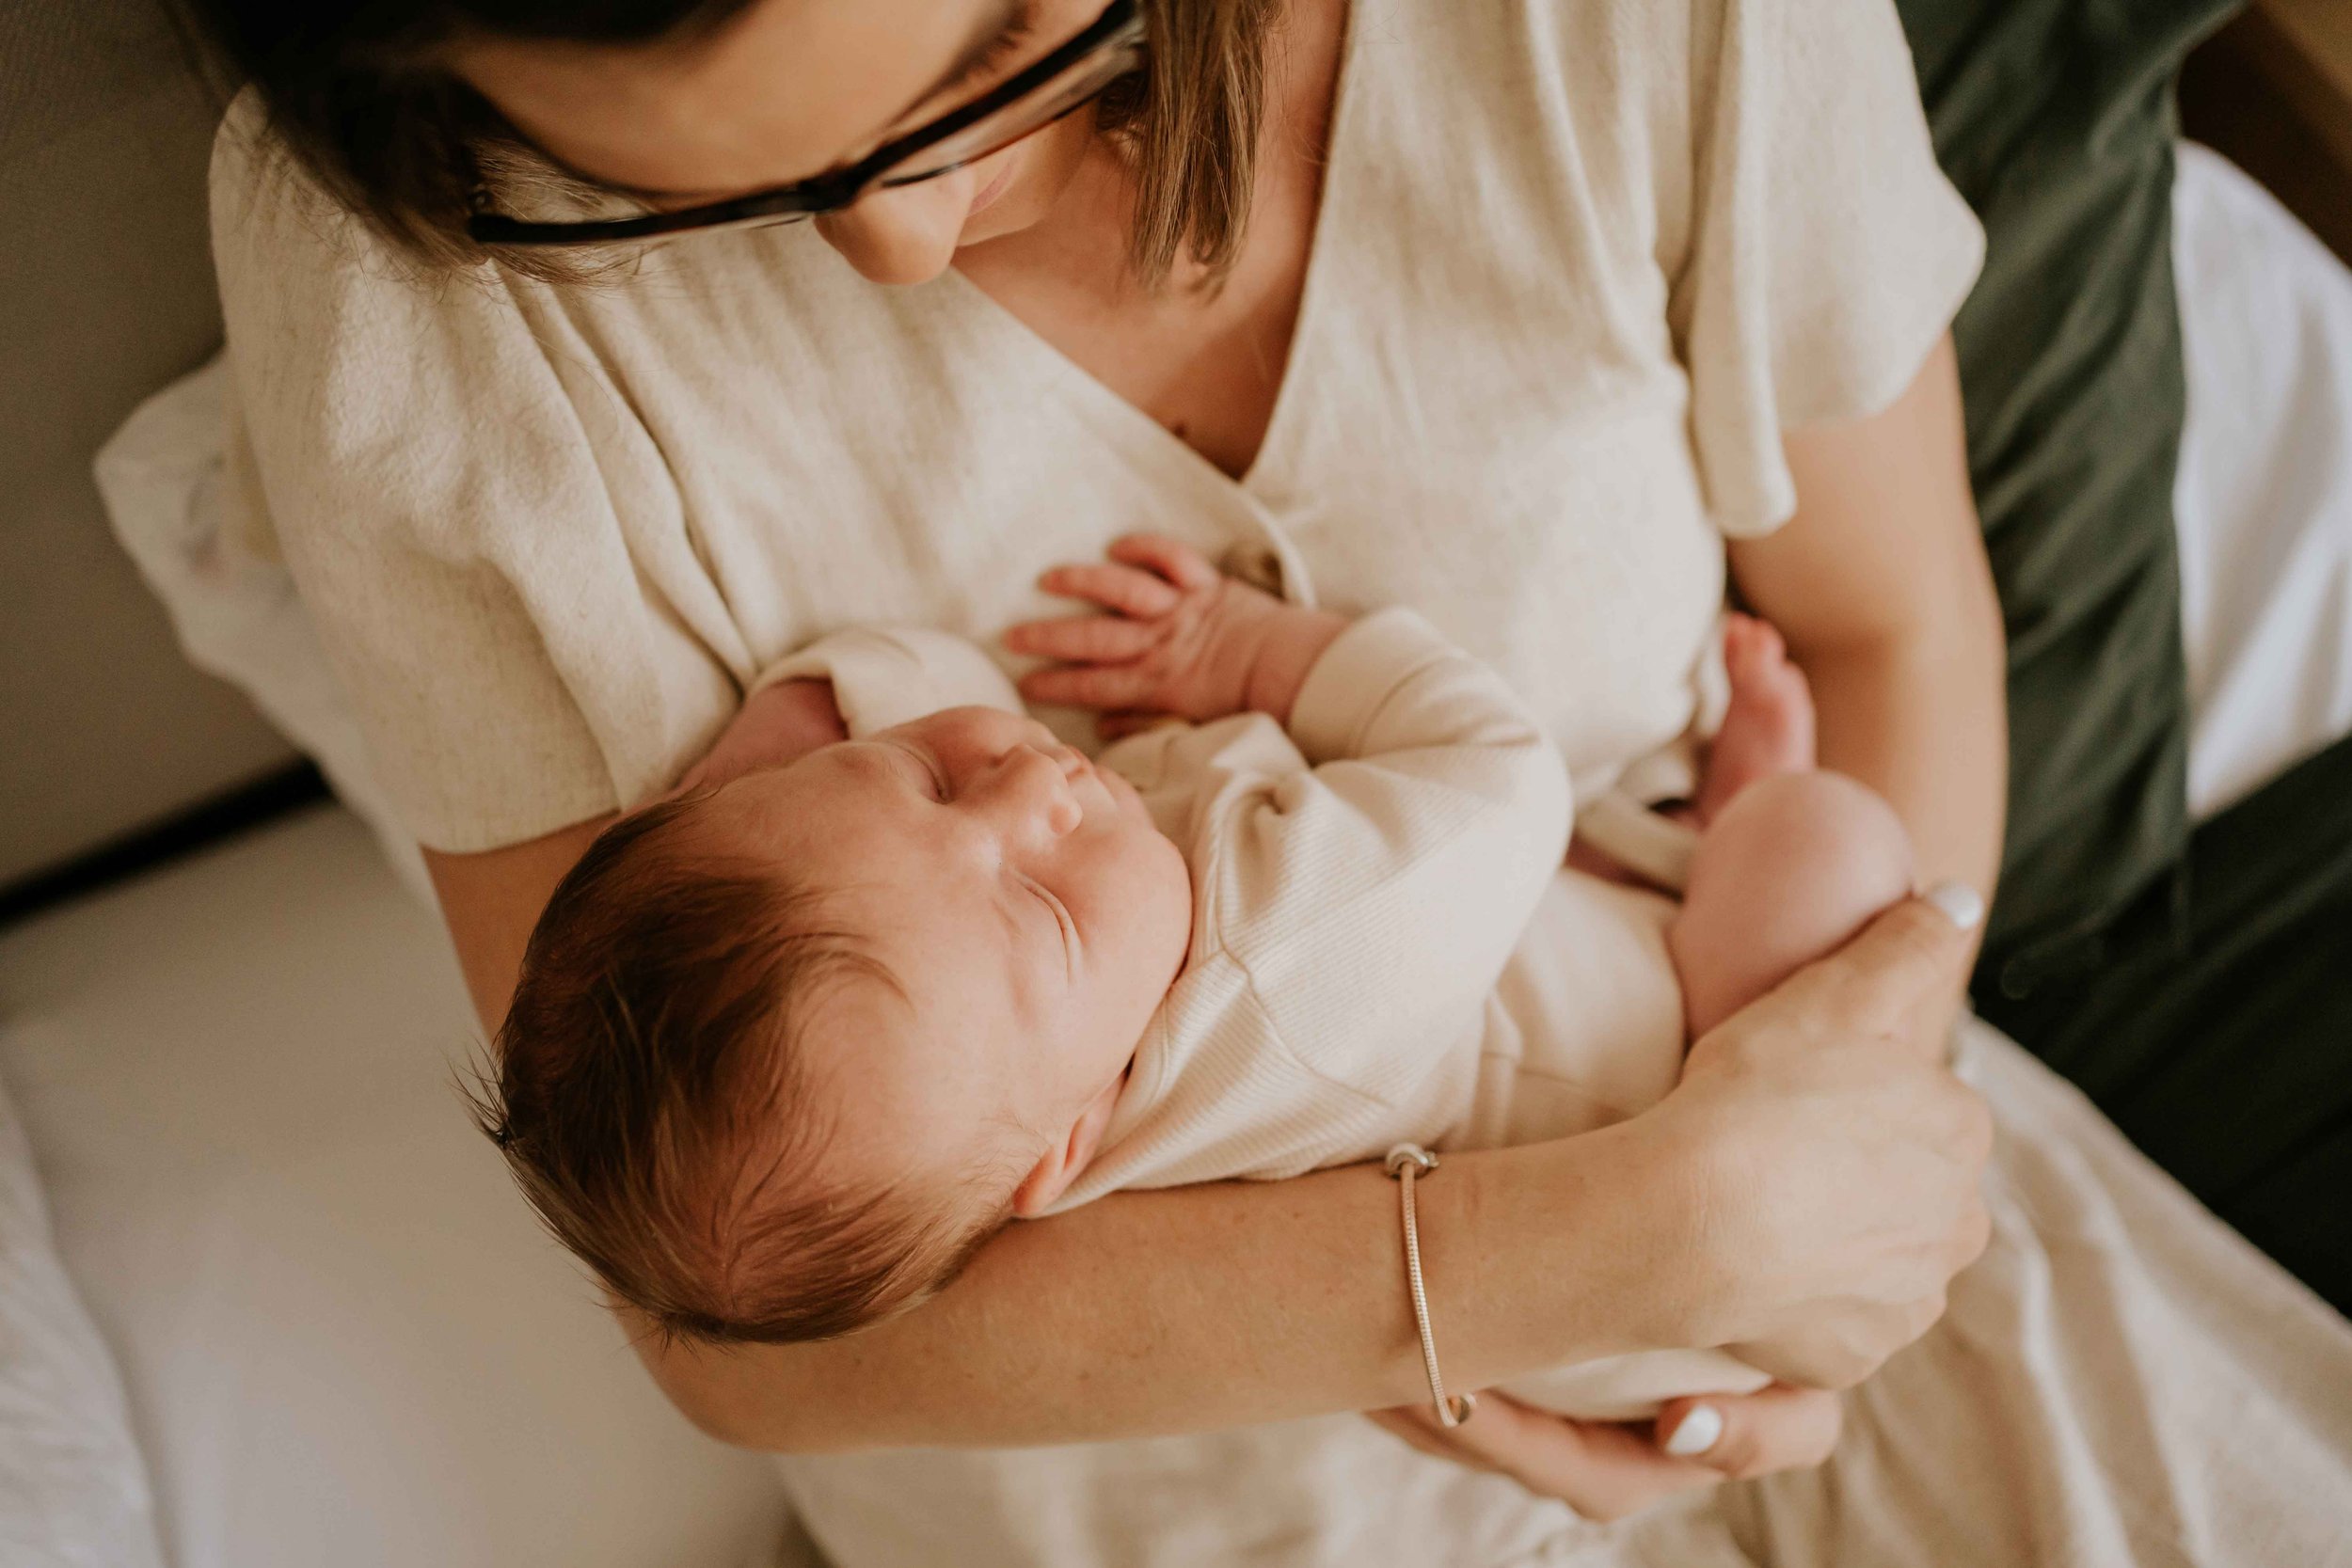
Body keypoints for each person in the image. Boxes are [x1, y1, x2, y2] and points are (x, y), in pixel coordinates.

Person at [190, 0, 2352, 1561]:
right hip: (1190, 1445)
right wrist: (1609, 1253)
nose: (897, 247)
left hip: (1816, 1119)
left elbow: (1885, 633)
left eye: (994, 56)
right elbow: (729, 1306)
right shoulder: (406, 264)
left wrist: (1841, 1160)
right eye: (710, 194)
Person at [484, 536, 1915, 1426]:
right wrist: (1254, 653)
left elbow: (948, 700)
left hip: (1546, 1080)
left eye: (920, 772)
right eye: (1039, 905)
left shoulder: (995, 1067)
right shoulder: (1274, 964)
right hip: (1703, 1102)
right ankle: (1733, 839)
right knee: (1827, 840)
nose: (1028, 790)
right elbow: (1497, 777)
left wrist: (811, 711)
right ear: (1058, 1151)